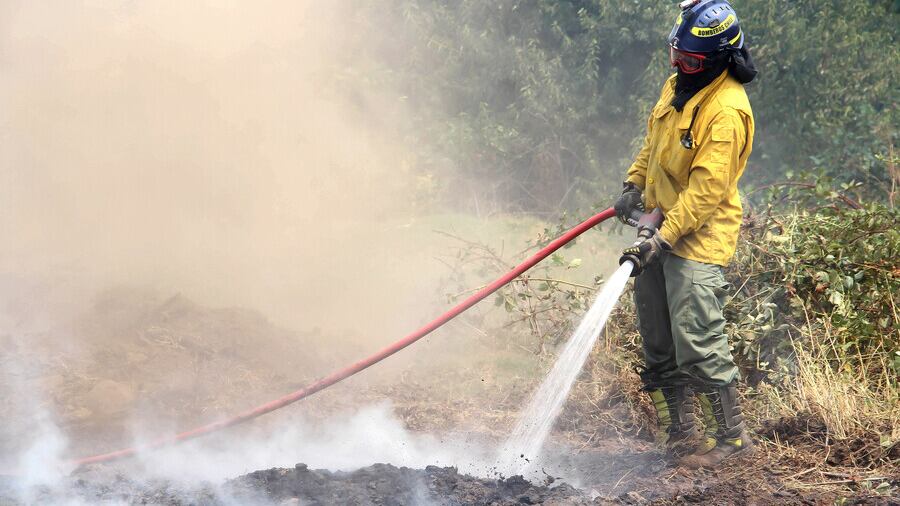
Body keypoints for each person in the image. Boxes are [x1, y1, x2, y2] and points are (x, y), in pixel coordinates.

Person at [613, 0, 758, 469]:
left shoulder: (728, 111)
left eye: (690, 60)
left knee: (697, 340)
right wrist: (634, 183)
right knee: (658, 339)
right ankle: (679, 435)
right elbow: (654, 145)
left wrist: (662, 238)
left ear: (720, 57)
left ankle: (729, 442)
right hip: (660, 230)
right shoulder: (679, 85)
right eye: (675, 55)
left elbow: (705, 192)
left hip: (696, 239)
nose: (679, 66)